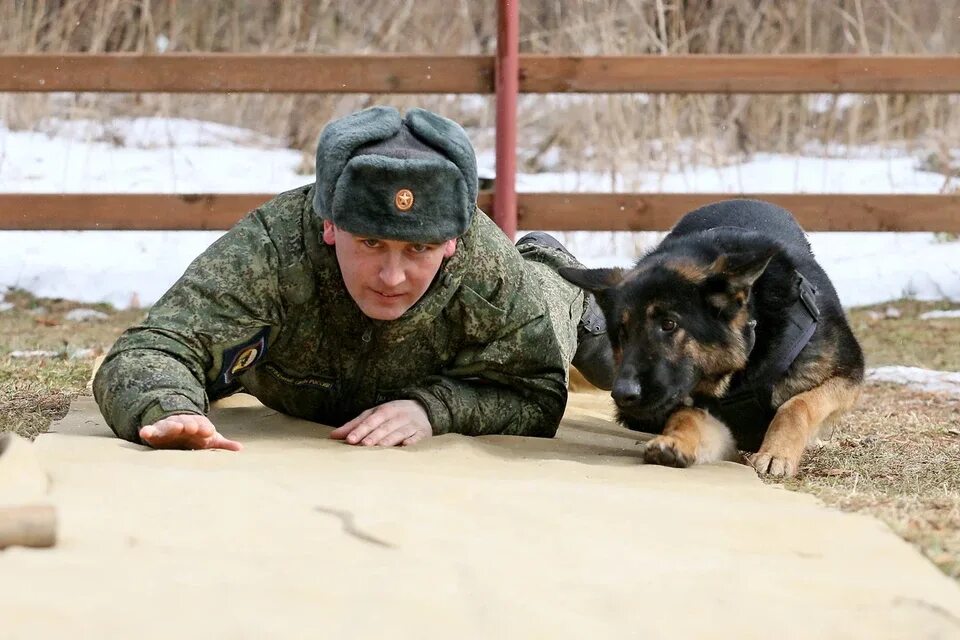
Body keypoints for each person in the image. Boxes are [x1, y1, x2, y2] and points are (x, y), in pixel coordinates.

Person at [93, 105, 614, 451]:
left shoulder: (485, 267)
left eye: (419, 249)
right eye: (369, 243)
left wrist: (435, 409)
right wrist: (172, 409)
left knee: (591, 343)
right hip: (312, 385)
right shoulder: (271, 249)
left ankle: (552, 269)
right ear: (329, 225)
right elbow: (151, 349)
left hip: (494, 331)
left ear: (452, 241)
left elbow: (538, 397)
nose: (392, 276)